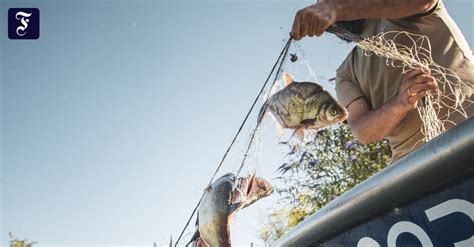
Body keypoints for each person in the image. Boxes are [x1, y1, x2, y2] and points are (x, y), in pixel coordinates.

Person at [291, 0, 474, 161]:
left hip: (467, 130)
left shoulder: (403, 10)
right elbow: (362, 132)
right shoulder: (346, 73)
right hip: (411, 163)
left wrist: (337, 8)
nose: (320, 4)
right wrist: (399, 103)